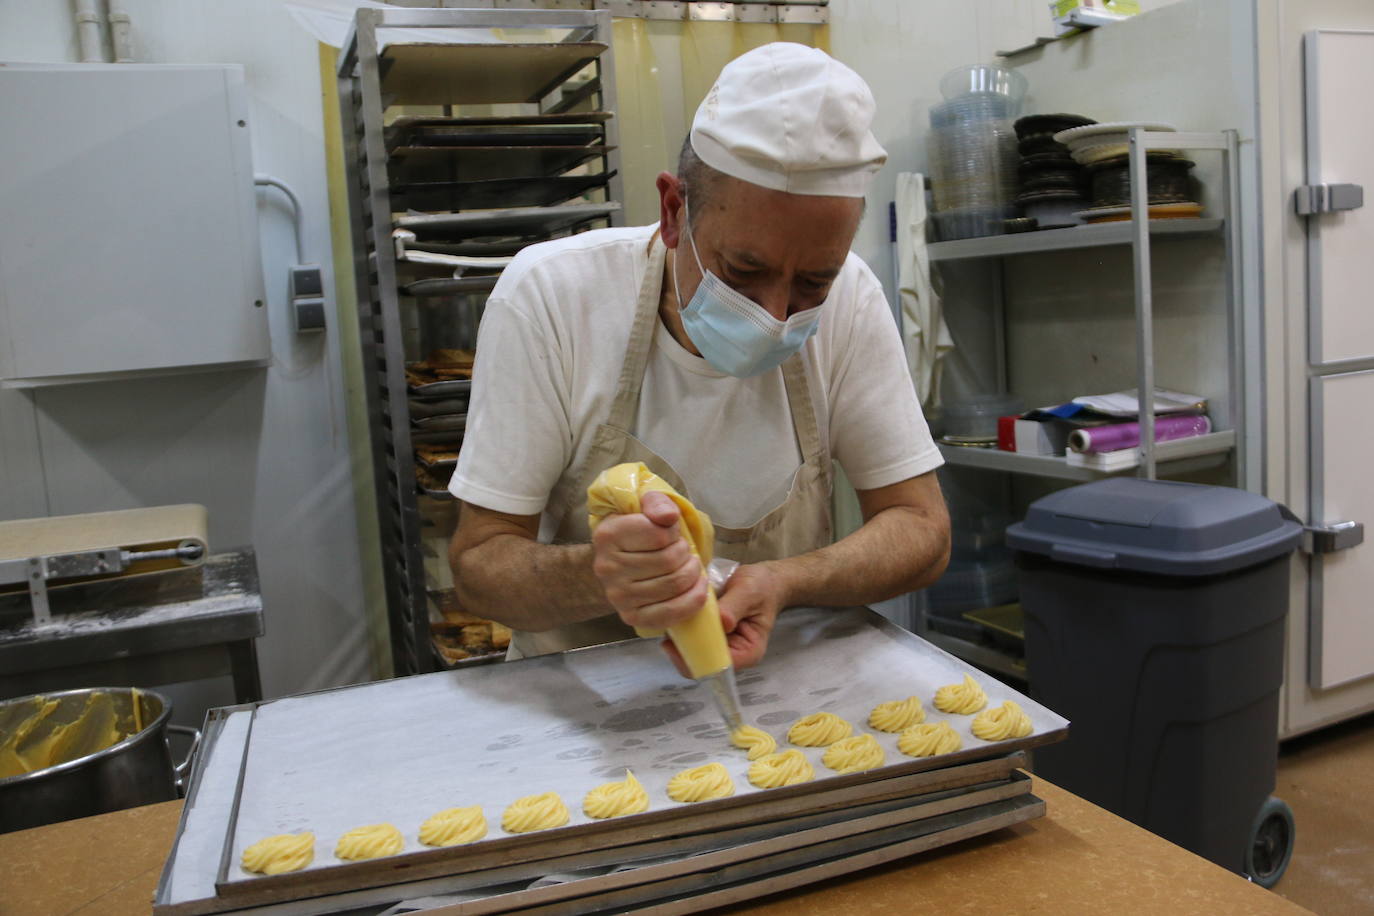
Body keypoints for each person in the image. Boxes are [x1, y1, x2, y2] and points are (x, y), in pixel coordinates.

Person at [448, 42, 950, 674]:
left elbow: (922, 529)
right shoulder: (554, 297)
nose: (774, 315)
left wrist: (783, 582)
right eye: (744, 272)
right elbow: (480, 566)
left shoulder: (852, 297)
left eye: (810, 285)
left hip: (783, 689)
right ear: (672, 211)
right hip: (583, 702)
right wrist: (600, 573)